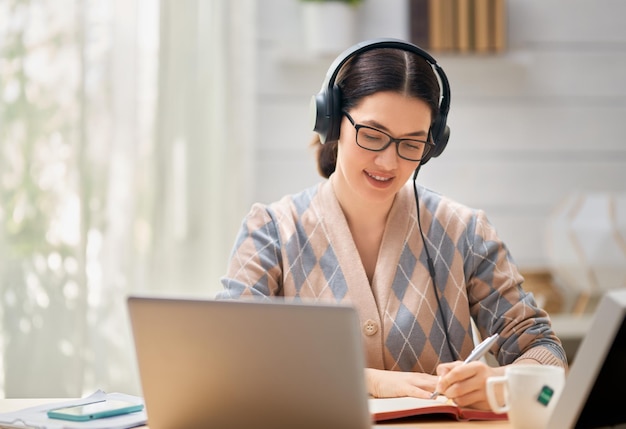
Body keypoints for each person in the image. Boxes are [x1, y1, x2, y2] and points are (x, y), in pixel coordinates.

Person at [217, 38, 567, 411]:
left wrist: (503, 381)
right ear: (331, 122)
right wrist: (372, 381)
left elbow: (545, 352)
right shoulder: (269, 231)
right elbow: (227, 358)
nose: (388, 162)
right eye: (372, 135)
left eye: (412, 143)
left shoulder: (466, 232)